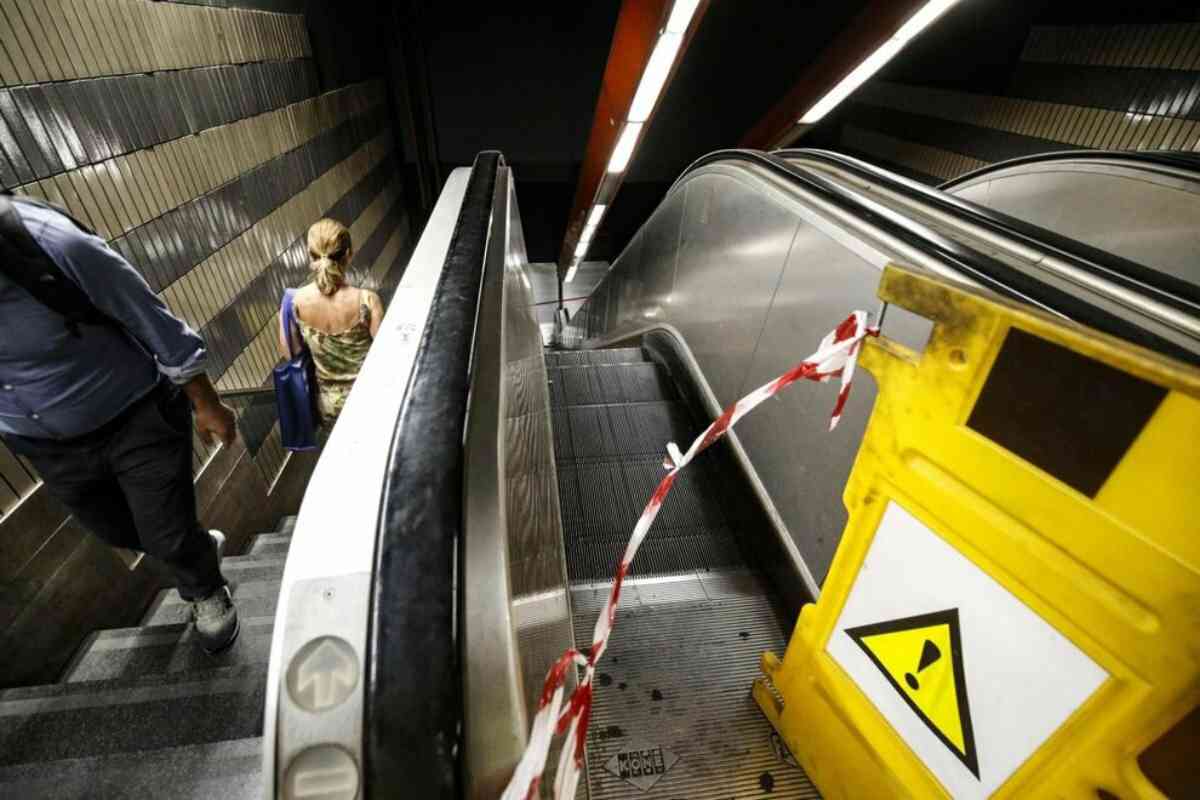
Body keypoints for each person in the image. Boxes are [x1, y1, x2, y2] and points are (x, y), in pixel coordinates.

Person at [0, 194, 240, 654]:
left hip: (136, 416)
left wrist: (205, 403)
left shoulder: (56, 244)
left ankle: (206, 590)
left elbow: (150, 317)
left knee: (164, 533)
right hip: (43, 443)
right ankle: (197, 547)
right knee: (116, 532)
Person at [279, 219, 383, 425]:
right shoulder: (367, 300)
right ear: (348, 255)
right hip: (371, 401)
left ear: (311, 256)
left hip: (330, 408)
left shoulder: (293, 303)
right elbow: (384, 355)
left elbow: (290, 353)